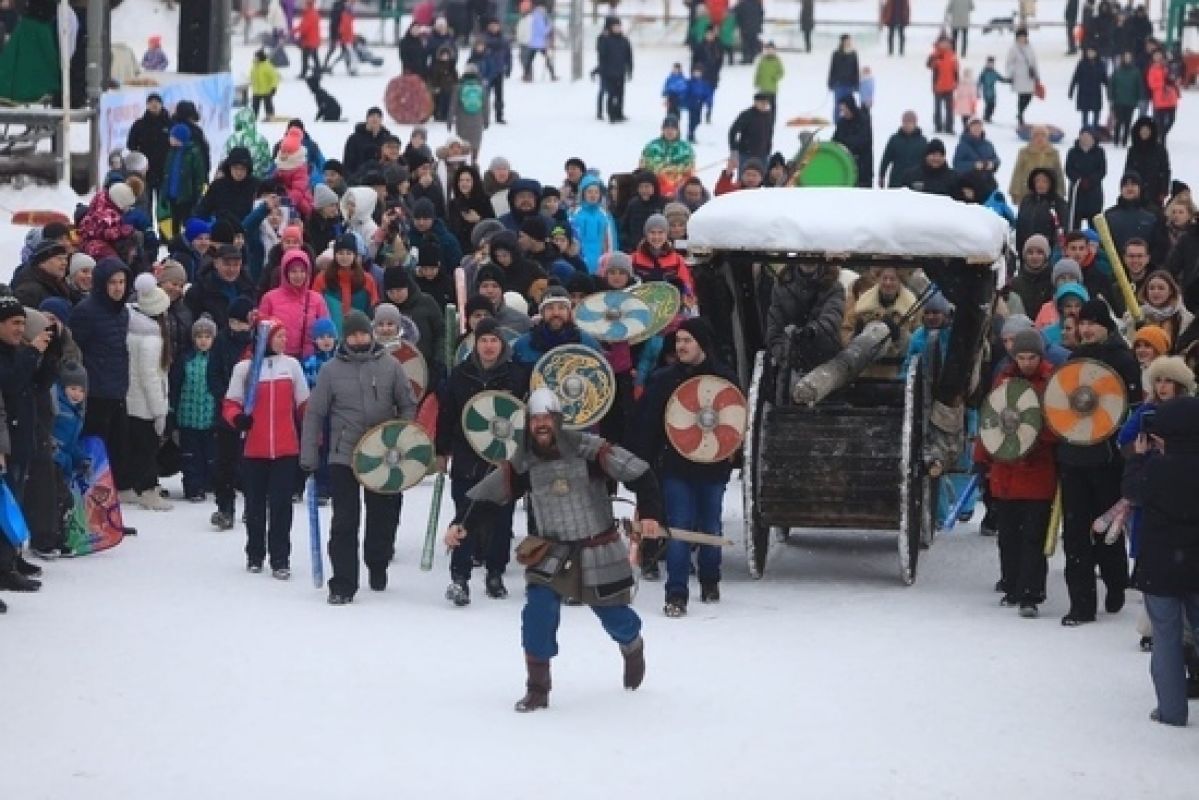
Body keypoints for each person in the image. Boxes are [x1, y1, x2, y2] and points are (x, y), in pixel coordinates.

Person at [445, 387, 664, 711]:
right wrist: (460, 523)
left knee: (615, 616)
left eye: (547, 418)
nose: (542, 424)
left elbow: (640, 473)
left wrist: (650, 514)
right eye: (536, 419)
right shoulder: (523, 460)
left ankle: (632, 645)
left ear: (558, 420)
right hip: (551, 551)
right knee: (538, 612)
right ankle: (538, 689)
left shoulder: (589, 450)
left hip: (597, 547)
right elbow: (488, 495)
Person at [301, 310, 417, 603]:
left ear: (371, 334)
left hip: (383, 454)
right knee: (344, 520)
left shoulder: (391, 366)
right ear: (345, 337)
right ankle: (342, 583)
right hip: (344, 454)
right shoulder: (330, 371)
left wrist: (400, 438)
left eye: (363, 333)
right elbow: (315, 413)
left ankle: (377, 564)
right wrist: (309, 454)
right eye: (352, 334)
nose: (358, 339)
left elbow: (407, 404)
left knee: (382, 516)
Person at [634, 317, 739, 616]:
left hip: (712, 466)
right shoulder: (664, 379)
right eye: (678, 341)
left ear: (702, 344)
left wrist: (730, 451)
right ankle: (676, 593)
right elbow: (650, 424)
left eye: (687, 341)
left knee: (710, 525)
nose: (680, 346)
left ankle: (709, 580)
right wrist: (643, 463)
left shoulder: (724, 378)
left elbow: (735, 421)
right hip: (676, 467)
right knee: (679, 528)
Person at [1058, 300, 1141, 626]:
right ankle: (1081, 605)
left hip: (1107, 459)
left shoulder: (1122, 359)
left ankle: (1116, 581)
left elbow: (1131, 410)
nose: (1087, 329)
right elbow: (1060, 405)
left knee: (1107, 528)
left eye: (1093, 323)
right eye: (1083, 323)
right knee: (1076, 533)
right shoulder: (1074, 358)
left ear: (1105, 325)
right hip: (1073, 456)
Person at [435, 317, 528, 605]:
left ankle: (495, 572)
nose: (489, 346)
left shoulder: (518, 375)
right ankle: (459, 577)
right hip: (467, 456)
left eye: (494, 340)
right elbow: (447, 414)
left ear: (502, 344)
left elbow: (526, 417)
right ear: (475, 344)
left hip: (504, 460)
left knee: (501, 517)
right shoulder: (461, 375)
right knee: (464, 513)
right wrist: (442, 451)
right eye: (484, 340)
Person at [976, 329, 1056, 617]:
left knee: (1033, 536)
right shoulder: (1004, 380)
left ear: (1040, 355)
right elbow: (991, 419)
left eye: (1031, 357)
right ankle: (1012, 585)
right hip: (1006, 471)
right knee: (1008, 534)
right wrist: (982, 457)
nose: (1026, 362)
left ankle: (1031, 592)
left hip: (1038, 470)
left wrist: (1033, 436)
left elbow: (1056, 425)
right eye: (1021, 357)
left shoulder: (1051, 382)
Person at [224, 319, 310, 579]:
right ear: (265, 339)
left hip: (286, 449)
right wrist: (238, 419)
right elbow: (230, 403)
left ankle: (281, 557)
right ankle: (255, 553)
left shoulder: (292, 366)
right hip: (254, 450)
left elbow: (305, 405)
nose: (285, 340)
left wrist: (313, 435)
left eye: (286, 335)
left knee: (282, 505)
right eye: (279, 336)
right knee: (255, 504)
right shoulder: (245, 369)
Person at [1136, 395, 1199, 726]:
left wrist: (1138, 460)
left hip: (1162, 564)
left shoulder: (1157, 467)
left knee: (1166, 637)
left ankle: (1172, 710)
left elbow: (1135, 493)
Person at [125, 274, 173, 511]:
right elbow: (151, 378)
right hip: (145, 404)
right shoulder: (152, 339)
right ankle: (148, 489)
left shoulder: (133, 329)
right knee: (148, 448)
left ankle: (136, 485)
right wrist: (159, 410)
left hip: (132, 401)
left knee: (137, 446)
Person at [172, 315, 219, 503]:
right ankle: (193, 487)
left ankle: (208, 483)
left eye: (207, 336)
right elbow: (176, 385)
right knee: (190, 456)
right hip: (188, 417)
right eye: (199, 336)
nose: (203, 340)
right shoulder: (185, 359)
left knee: (210, 454)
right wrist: (172, 412)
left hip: (209, 417)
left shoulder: (216, 360)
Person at [1015, 168, 1068, 257]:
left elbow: (1062, 229)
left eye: (1045, 181)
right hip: (1027, 250)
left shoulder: (1058, 203)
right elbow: (1019, 225)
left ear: (1051, 184)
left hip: (1048, 252)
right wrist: (1019, 248)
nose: (1040, 184)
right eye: (1037, 181)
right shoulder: (1027, 200)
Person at [1009, 125, 1065, 207]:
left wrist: (1060, 192)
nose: (1040, 138)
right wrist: (1015, 191)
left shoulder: (1053, 153)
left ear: (1047, 137)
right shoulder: (1024, 152)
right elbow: (1017, 172)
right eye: (1036, 135)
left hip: (1048, 193)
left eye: (1043, 135)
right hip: (1027, 191)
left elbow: (1059, 173)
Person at [1124, 118, 1171, 210]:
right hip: (1136, 191)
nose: (1144, 132)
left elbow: (1165, 170)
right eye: (1142, 130)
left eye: (1147, 130)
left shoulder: (1160, 150)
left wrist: (1164, 190)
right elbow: (1128, 170)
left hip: (1155, 191)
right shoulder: (1133, 150)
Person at [1065, 128, 1106, 230]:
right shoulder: (1072, 151)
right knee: (1074, 223)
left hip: (1094, 192)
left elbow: (1102, 170)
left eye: (1088, 136)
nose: (1085, 139)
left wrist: (1091, 180)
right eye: (1083, 136)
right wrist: (1079, 180)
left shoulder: (1099, 152)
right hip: (1076, 192)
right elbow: (1068, 169)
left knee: (1094, 224)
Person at [728, 94, 773, 180]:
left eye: (766, 103)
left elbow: (769, 133)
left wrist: (768, 149)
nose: (764, 105)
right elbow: (733, 131)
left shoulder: (768, 115)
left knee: (762, 180)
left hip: (763, 155)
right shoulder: (747, 115)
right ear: (755, 102)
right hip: (746, 154)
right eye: (762, 103)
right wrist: (734, 150)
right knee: (744, 179)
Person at [596, 16, 632, 123]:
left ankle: (619, 113)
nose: (618, 28)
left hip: (620, 72)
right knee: (611, 94)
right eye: (615, 26)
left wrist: (630, 68)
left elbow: (628, 55)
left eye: (619, 26)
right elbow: (601, 53)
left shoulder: (624, 40)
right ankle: (611, 114)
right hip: (608, 72)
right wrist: (603, 38)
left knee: (620, 94)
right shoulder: (605, 39)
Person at [832, 94, 873, 189]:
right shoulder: (842, 123)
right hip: (844, 167)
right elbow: (835, 140)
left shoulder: (863, 120)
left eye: (844, 109)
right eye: (841, 110)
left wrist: (844, 144)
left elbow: (863, 141)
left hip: (862, 168)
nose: (843, 112)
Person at [1005, 28, 1040, 127]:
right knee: (1021, 97)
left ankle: (1020, 113)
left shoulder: (1030, 47)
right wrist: (1011, 73)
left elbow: (1034, 62)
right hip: (1019, 76)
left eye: (1023, 36)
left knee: (1029, 96)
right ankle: (1020, 116)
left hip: (1029, 76)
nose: (1022, 38)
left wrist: (1037, 75)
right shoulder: (1013, 48)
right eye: (1020, 37)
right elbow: (1009, 62)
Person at [1144, 48, 1180, 144]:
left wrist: (1173, 81)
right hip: (1159, 99)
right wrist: (1163, 84)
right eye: (1156, 55)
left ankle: (1161, 135)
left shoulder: (1169, 67)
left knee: (1171, 120)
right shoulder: (1152, 69)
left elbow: (1176, 78)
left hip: (1171, 98)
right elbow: (1151, 84)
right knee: (1159, 122)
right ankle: (1160, 139)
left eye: (1159, 55)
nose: (1158, 57)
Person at [1069, 46, 1108, 131]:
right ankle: (1085, 131)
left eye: (1092, 52)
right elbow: (1075, 78)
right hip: (1084, 92)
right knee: (1085, 113)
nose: (1090, 54)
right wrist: (1071, 91)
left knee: (1096, 112)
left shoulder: (1100, 64)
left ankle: (1095, 131)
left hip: (1096, 92)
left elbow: (1105, 79)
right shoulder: (1082, 63)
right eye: (1089, 52)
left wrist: (1110, 92)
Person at [1108, 51, 1142, 147]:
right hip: (1118, 100)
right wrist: (1111, 97)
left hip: (1131, 101)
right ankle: (1116, 139)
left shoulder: (1136, 72)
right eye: (1125, 57)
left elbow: (1139, 86)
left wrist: (1139, 98)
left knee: (1128, 122)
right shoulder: (1117, 71)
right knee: (1118, 121)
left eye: (1129, 57)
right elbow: (1111, 85)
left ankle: (1124, 140)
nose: (1127, 59)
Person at [926, 36, 959, 136]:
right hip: (938, 87)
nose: (945, 45)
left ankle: (949, 127)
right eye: (943, 43)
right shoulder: (934, 54)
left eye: (947, 43)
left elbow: (956, 70)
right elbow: (929, 65)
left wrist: (956, 81)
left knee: (950, 108)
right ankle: (938, 126)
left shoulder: (952, 55)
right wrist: (935, 60)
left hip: (949, 86)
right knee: (938, 108)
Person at [826, 35, 860, 116]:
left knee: (849, 105)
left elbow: (856, 69)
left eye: (849, 41)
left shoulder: (853, 53)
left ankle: (849, 123)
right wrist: (830, 82)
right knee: (838, 105)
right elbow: (832, 68)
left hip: (850, 84)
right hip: (838, 83)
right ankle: (837, 123)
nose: (848, 42)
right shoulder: (836, 54)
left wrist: (856, 84)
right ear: (842, 42)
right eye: (847, 41)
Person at [250, 49, 281, 122]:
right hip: (256, 90)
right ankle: (253, 117)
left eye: (256, 57)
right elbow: (252, 75)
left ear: (260, 57)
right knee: (255, 105)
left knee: (268, 104)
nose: (255, 58)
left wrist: (274, 87)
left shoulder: (267, 66)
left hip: (266, 90)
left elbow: (275, 77)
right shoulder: (254, 66)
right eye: (255, 57)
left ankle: (270, 116)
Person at [977, 56, 1008, 124]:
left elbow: (1001, 79)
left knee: (993, 105)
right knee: (988, 104)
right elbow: (979, 82)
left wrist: (1009, 80)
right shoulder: (984, 72)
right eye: (989, 63)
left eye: (992, 63)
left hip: (992, 91)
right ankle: (986, 117)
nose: (990, 65)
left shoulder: (994, 72)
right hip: (986, 91)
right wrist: (978, 91)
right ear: (986, 63)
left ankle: (988, 117)